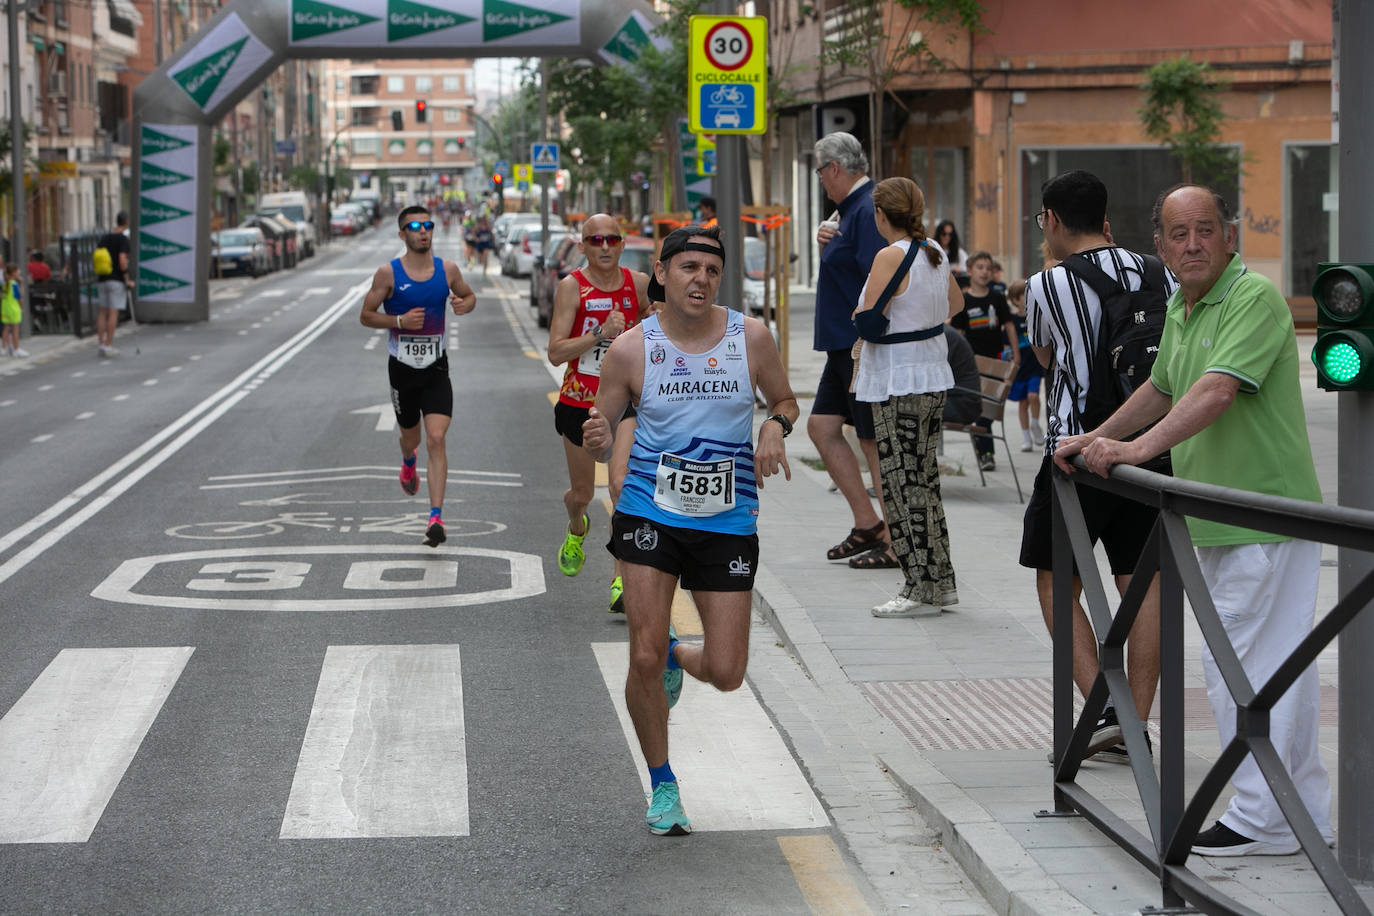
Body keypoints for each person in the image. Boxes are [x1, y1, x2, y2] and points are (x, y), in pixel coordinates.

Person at [1055, 183, 1332, 856]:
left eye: (1205, 230)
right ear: (1159, 248)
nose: (1193, 244)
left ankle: (1260, 819)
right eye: (1178, 235)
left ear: (1229, 236)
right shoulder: (1183, 303)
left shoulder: (1253, 298)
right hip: (1218, 519)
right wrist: (1096, 437)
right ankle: (1302, 816)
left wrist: (1132, 451)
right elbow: (1164, 387)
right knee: (1267, 666)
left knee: (1244, 669)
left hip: (1258, 518)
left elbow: (1216, 389)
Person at [581, 225, 797, 836]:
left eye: (710, 269)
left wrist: (775, 426)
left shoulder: (749, 337)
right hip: (651, 513)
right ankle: (663, 784)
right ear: (663, 271)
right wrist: (596, 438)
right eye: (688, 267)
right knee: (641, 653)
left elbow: (784, 399)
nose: (700, 278)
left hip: (728, 519)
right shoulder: (630, 349)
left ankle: (680, 654)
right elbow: (601, 425)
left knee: (728, 672)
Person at [1020, 169, 1164, 764]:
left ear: (1052, 220)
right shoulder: (1160, 272)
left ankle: (1106, 710)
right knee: (1143, 582)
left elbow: (1045, 355)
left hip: (1075, 454)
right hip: (1150, 448)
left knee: (1056, 581)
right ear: (1104, 216)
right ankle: (1139, 724)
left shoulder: (1046, 284)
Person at [851, 178, 963, 617]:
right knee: (925, 481)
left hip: (898, 377)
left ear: (881, 214)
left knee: (901, 483)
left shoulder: (889, 255)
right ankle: (940, 581)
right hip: (932, 373)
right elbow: (953, 303)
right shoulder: (934, 251)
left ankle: (918, 587)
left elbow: (866, 314)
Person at [547, 213, 651, 612]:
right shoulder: (572, 288)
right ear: (583, 246)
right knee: (583, 493)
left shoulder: (637, 285)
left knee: (620, 486)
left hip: (622, 402)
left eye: (611, 239)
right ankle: (576, 525)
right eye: (595, 240)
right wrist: (600, 334)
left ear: (622, 244)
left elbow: (657, 326)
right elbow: (556, 352)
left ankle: (619, 581)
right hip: (578, 402)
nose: (604, 247)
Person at [359, 205, 477, 548]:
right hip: (403, 369)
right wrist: (397, 322)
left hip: (436, 367)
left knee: (437, 438)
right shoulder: (388, 274)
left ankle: (435, 517)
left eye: (427, 225)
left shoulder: (447, 269)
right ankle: (408, 461)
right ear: (402, 235)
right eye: (415, 226)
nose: (423, 231)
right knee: (411, 438)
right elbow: (365, 315)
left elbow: (469, 296)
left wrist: (463, 305)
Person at [809, 131, 894, 570]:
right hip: (841, 346)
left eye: (821, 172)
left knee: (871, 439)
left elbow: (876, 278)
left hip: (857, 345)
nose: (821, 180)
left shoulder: (866, 209)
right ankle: (868, 523)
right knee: (822, 427)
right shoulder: (848, 210)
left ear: (835, 168)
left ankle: (897, 541)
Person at [949, 251, 1018, 471]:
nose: (984, 272)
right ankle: (985, 451)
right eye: (980, 267)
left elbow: (1008, 325)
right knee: (978, 408)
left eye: (988, 268)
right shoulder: (964, 300)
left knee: (989, 409)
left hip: (995, 362)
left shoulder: (997, 297)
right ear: (969, 270)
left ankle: (987, 453)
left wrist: (1016, 355)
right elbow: (957, 335)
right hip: (972, 365)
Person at [1005, 279, 1044, 452]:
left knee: (1033, 396)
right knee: (1022, 403)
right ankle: (1026, 436)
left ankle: (1035, 424)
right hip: (1021, 368)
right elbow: (1006, 346)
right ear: (1014, 299)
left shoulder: (1035, 316)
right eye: (1024, 295)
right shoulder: (1011, 321)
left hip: (1035, 365)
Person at [96, 211, 133, 358]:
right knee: (113, 312)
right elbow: (122, 260)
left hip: (102, 278)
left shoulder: (105, 238)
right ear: (126, 222)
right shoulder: (123, 239)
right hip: (116, 279)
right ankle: (108, 345)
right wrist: (127, 278)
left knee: (102, 312)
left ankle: (100, 344)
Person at [941, 326, 981, 426]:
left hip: (963, 405)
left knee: (912, 408)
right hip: (958, 399)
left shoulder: (943, 336)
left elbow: (938, 376)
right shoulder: (941, 333)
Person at [1, 263, 28, 358]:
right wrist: (21, 308)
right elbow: (19, 297)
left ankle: (3, 348)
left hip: (5, 310)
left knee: (6, 328)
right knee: (15, 331)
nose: (18, 273)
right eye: (17, 271)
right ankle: (16, 349)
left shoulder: (4, 284)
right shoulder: (14, 284)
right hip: (14, 309)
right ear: (13, 273)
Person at [933, 220, 968, 285]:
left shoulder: (959, 252)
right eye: (944, 234)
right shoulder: (933, 251)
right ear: (939, 234)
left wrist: (959, 270)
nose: (947, 237)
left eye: (950, 234)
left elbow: (966, 268)